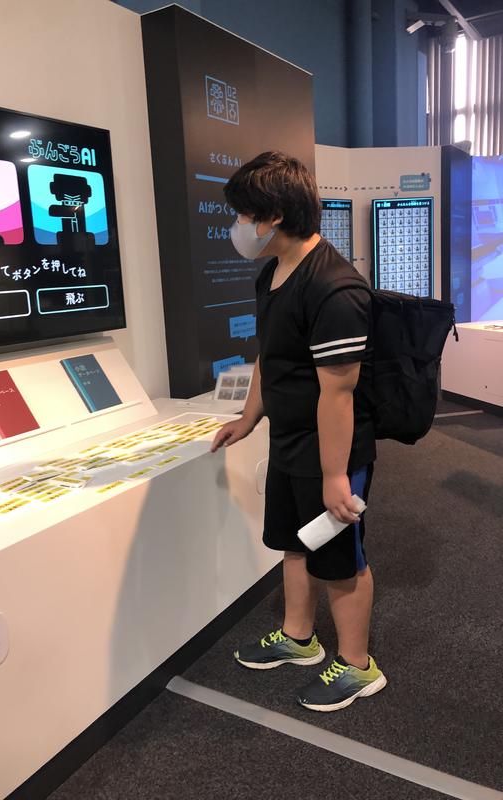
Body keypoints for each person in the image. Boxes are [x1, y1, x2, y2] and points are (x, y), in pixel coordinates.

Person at [211, 151, 387, 712]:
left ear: (274, 217)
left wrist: (335, 476)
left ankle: (358, 666)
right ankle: (298, 638)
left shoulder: (334, 287)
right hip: (289, 442)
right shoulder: (272, 273)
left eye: (244, 215)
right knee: (293, 542)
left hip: (332, 452)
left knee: (339, 559)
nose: (239, 226)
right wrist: (249, 418)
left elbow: (338, 392)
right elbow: (271, 357)